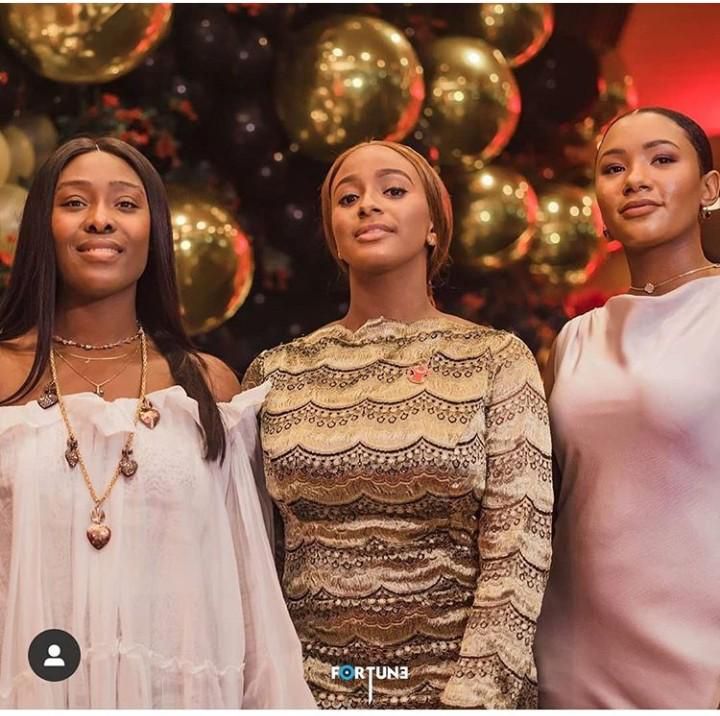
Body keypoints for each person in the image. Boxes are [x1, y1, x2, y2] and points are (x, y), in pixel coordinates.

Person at [0, 137, 315, 709]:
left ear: (155, 231)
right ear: (42, 226)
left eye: (125, 203)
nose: (100, 219)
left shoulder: (207, 386)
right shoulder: (5, 375)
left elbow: (249, 592)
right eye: (74, 202)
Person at [241, 140, 553, 708]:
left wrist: (474, 699)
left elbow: (519, 548)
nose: (368, 205)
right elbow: (254, 557)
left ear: (433, 225)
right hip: (303, 693)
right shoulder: (276, 372)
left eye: (392, 190)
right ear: (334, 235)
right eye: (348, 198)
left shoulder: (496, 359)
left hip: (457, 692)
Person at [534, 107, 720, 708]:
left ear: (709, 188)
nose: (635, 179)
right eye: (613, 168)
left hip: (699, 665)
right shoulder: (575, 338)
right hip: (571, 661)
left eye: (662, 159)